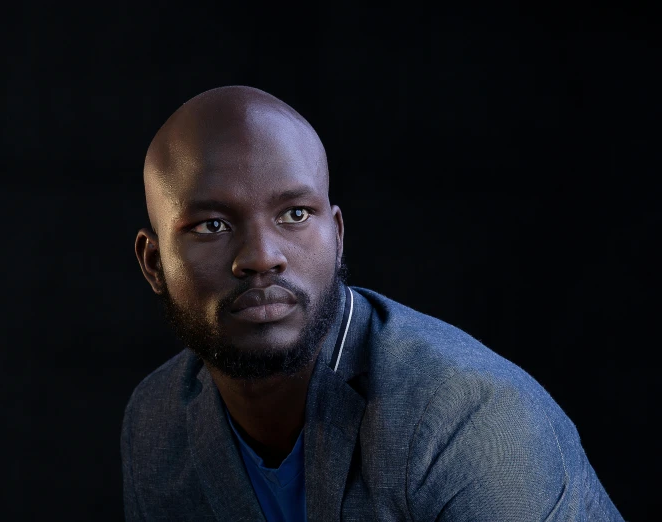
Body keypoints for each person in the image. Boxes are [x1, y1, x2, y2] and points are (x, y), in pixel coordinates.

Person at [121, 85, 623, 521]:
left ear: (337, 235)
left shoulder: (465, 416)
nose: (260, 258)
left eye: (295, 213)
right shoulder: (156, 423)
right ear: (154, 263)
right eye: (213, 225)